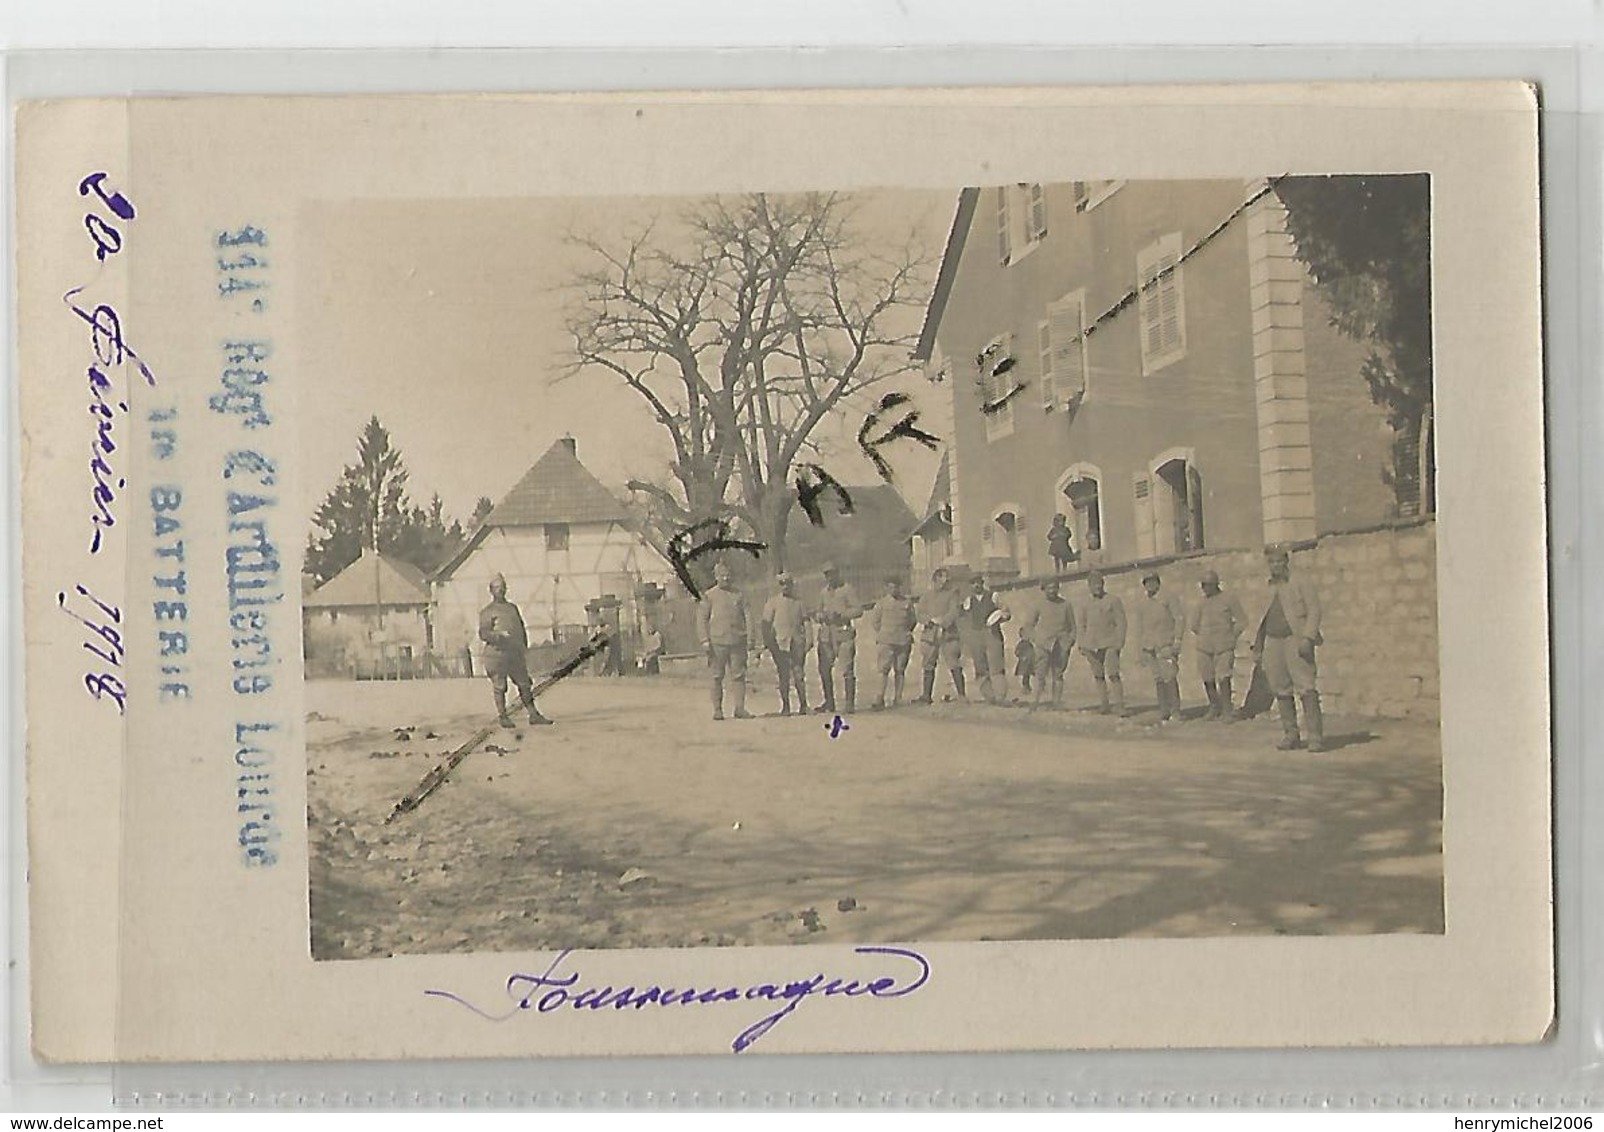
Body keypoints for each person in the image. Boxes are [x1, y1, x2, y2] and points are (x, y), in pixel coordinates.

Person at [1250, 546, 1325, 751]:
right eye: (1271, 563)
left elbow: (1315, 610)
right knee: (1280, 687)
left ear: (1286, 562)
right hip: (1273, 642)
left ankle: (1315, 737)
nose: (1275, 566)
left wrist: (1308, 637)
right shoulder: (1267, 587)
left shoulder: (1301, 582)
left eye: (1279, 562)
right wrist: (1257, 646)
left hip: (1296, 639)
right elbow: (1260, 619)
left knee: (1306, 686)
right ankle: (1290, 734)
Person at [478, 573, 553, 728]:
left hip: (514, 654)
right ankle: (503, 716)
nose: (501, 590)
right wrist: (498, 636)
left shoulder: (512, 608)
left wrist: (523, 646)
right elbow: (483, 633)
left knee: (524, 683)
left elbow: (521, 628)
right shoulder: (487, 611)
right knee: (500, 686)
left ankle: (533, 714)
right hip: (497, 655)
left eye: (503, 587)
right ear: (491, 590)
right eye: (497, 587)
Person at [1188, 568, 1247, 720]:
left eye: (1208, 585)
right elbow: (1193, 625)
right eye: (1203, 585)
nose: (1205, 588)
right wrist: (1204, 635)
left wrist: (1231, 635)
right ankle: (1214, 707)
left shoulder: (1229, 599)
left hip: (1224, 646)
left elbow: (1242, 621)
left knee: (1224, 677)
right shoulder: (1201, 603)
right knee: (1207, 677)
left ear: (1216, 584)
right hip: (1204, 647)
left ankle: (1227, 710)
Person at [696, 561, 752, 721]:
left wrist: (751, 637)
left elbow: (748, 616)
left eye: (728, 574)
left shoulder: (739, 594)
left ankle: (740, 709)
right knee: (716, 676)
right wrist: (704, 640)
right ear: (716, 576)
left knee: (739, 676)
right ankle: (718, 710)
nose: (726, 578)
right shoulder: (709, 596)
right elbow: (701, 620)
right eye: (722, 575)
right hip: (717, 643)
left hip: (737, 641)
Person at [814, 562, 864, 714]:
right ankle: (829, 702)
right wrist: (821, 616)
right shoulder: (823, 592)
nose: (829, 577)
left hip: (843, 634)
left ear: (838, 573)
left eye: (831, 573)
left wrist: (841, 614)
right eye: (826, 574)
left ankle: (849, 703)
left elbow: (858, 610)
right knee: (824, 669)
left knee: (847, 669)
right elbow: (817, 612)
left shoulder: (847, 589)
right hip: (826, 636)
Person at [1136, 570, 1186, 722]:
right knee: (1158, 678)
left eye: (1152, 581)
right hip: (1150, 646)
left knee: (1169, 677)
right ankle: (1164, 710)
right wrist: (1141, 648)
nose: (1150, 585)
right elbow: (1140, 626)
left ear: (1158, 582)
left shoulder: (1168, 598)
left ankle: (1175, 711)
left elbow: (1179, 619)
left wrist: (1177, 640)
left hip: (1165, 645)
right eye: (1146, 582)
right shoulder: (1143, 602)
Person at [1021, 577, 1077, 709]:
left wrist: (1070, 641)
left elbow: (1073, 627)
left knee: (1058, 674)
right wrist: (1036, 640)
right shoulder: (1037, 604)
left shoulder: (1066, 605)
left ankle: (1056, 702)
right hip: (1043, 645)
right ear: (1044, 589)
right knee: (1040, 674)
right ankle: (1035, 702)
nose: (1052, 590)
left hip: (1061, 645)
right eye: (1049, 588)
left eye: (1055, 587)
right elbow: (1028, 626)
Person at [1077, 570, 1127, 716]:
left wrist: (1119, 641)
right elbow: (1081, 625)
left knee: (1113, 674)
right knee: (1098, 676)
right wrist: (1081, 644)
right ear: (1089, 586)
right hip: (1091, 645)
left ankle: (1119, 705)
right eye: (1093, 585)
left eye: (1099, 584)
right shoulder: (1084, 603)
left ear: (1103, 584)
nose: (1097, 587)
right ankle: (1104, 704)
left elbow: (1121, 623)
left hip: (1110, 643)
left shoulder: (1113, 600)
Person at [761, 572, 811, 716]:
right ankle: (786, 707)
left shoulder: (799, 603)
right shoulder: (772, 602)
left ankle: (803, 705)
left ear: (792, 584)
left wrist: (809, 639)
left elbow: (806, 621)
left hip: (796, 644)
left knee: (799, 675)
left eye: (788, 583)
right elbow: (765, 625)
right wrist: (769, 643)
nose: (785, 586)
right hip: (780, 645)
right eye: (782, 584)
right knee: (783, 676)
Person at [913, 566, 965, 703]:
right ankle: (926, 696)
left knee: (954, 663)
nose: (946, 581)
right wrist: (929, 620)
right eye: (942, 577)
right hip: (930, 634)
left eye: (947, 578)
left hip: (948, 634)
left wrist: (943, 621)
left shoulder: (953, 593)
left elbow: (954, 611)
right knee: (928, 664)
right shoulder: (926, 596)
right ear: (935, 579)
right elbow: (919, 613)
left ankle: (961, 695)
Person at [959, 573, 1011, 703]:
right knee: (980, 666)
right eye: (973, 583)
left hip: (992, 633)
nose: (976, 585)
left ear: (982, 583)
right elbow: (964, 618)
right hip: (976, 634)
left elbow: (1006, 612)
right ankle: (989, 696)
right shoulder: (968, 600)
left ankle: (1000, 696)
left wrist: (1001, 618)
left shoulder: (993, 596)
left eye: (978, 582)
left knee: (996, 666)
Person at [866, 576, 917, 709]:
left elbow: (912, 620)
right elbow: (875, 622)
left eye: (896, 586)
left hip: (903, 640)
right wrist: (884, 633)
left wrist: (905, 631)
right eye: (891, 586)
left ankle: (898, 698)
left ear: (900, 588)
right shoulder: (881, 603)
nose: (893, 589)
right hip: (886, 641)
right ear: (887, 588)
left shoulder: (907, 603)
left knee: (900, 670)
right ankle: (879, 698)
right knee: (883, 670)